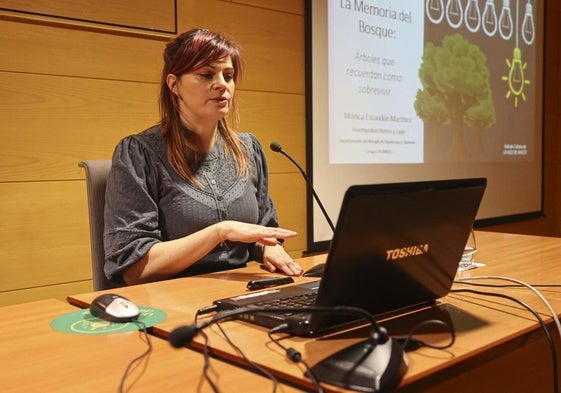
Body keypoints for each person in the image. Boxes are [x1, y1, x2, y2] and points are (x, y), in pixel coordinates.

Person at [103, 28, 302, 286]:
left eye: (228, 76)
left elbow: (263, 229)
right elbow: (134, 268)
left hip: (239, 291)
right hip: (171, 302)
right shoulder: (139, 154)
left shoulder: (248, 149)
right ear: (174, 85)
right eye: (206, 74)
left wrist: (269, 247)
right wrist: (220, 232)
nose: (222, 84)